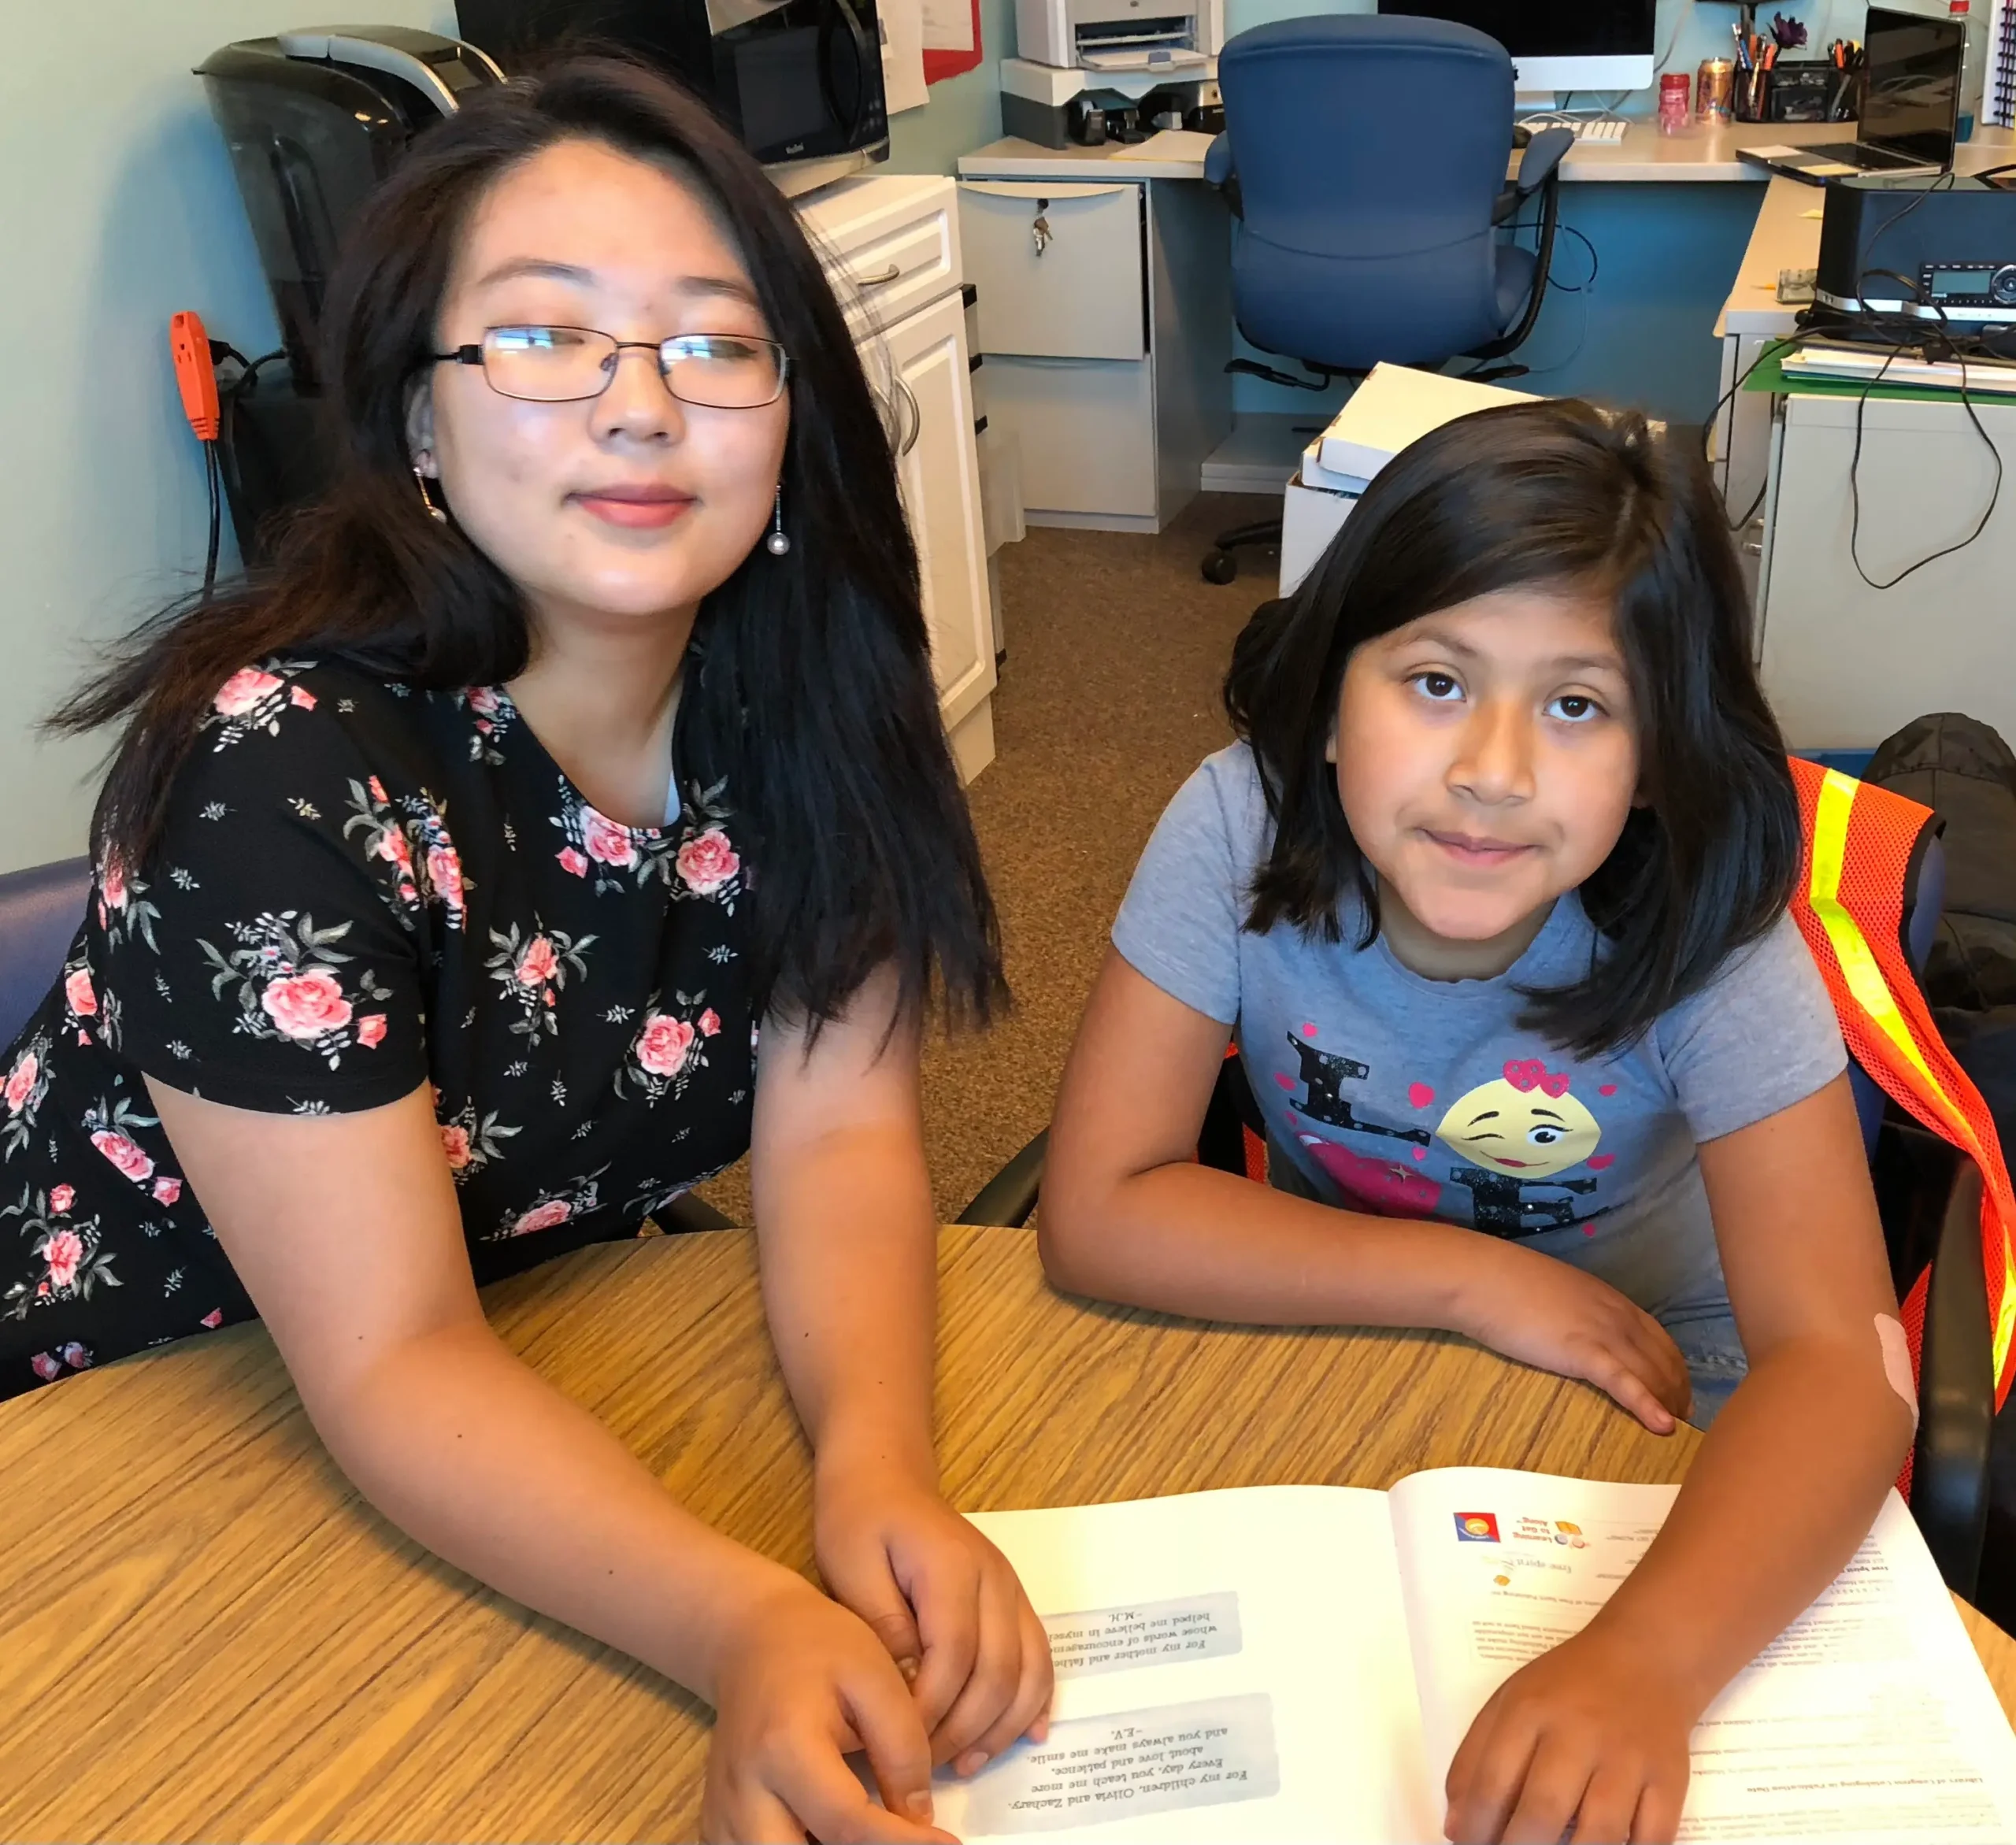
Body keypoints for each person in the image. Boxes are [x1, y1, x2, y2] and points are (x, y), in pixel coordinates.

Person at [3, 57, 1048, 1844]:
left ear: (788, 414)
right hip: (156, 1423)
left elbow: (841, 1134)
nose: (641, 411)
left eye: (714, 346)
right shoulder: (276, 772)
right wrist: (743, 1621)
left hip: (542, 1324)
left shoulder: (807, 695)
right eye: (544, 341)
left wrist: (874, 1467)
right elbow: (389, 1353)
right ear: (418, 426)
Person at [1039, 401, 1916, 1844]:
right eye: (1437, 681)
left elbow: (1843, 1363)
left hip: (1655, 1396)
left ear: (1654, 750)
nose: (1495, 772)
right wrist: (1479, 1278)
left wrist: (1650, 1662)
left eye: (1579, 705)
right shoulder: (1235, 828)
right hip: (1351, 1333)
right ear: (1330, 699)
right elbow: (1103, 1200)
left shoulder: (1705, 919)